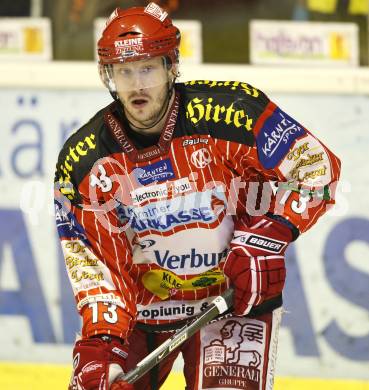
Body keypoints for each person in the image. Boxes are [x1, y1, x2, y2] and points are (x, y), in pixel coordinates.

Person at [54, 2, 341, 390]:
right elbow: (97, 267)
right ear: (108, 75)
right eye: (124, 72)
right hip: (143, 312)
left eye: (148, 68)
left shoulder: (233, 113)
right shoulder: (85, 160)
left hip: (234, 300)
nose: (136, 84)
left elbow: (315, 168)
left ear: (172, 67)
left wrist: (267, 239)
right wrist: (100, 346)